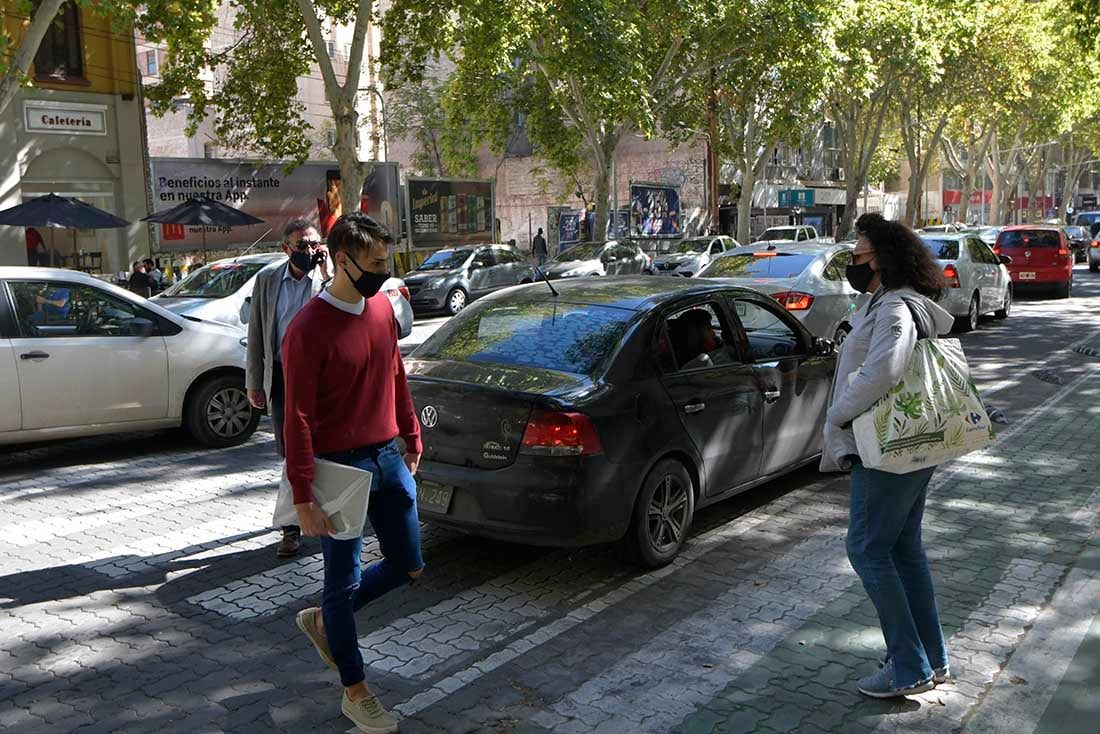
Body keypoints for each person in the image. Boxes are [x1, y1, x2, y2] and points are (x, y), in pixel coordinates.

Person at [282, 213, 421, 734]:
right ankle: (356, 691)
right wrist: (302, 496)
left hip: (387, 456)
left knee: (409, 565)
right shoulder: (307, 329)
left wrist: (411, 437)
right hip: (338, 466)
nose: (385, 272)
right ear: (343, 260)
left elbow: (394, 373)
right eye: (377, 263)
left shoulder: (383, 309)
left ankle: (323, 621)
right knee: (341, 581)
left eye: (388, 262)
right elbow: (296, 415)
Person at [821, 212, 956, 699]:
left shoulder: (895, 310)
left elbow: (884, 372)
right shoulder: (888, 302)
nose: (852, 263)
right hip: (912, 445)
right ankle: (932, 659)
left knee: (866, 549)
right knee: (903, 551)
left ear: (881, 260)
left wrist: (836, 414)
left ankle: (908, 666)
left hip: (887, 448)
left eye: (857, 256)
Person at [246, 219, 331, 559]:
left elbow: (342, 314)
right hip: (282, 377)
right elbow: (256, 334)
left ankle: (326, 515)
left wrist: (327, 274)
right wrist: (254, 381)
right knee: (289, 455)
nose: (309, 252)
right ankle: (290, 527)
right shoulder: (268, 280)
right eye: (302, 246)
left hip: (321, 380)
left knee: (325, 449)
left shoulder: (327, 281)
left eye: (314, 245)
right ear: (286, 249)